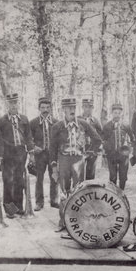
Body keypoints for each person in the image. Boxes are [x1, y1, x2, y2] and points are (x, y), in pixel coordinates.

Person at [50, 98, 102, 231]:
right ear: (63, 110)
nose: (72, 110)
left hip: (79, 160)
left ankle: (78, 220)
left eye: (73, 107)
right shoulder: (57, 127)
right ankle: (63, 220)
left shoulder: (83, 124)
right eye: (69, 108)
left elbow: (97, 139)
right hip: (64, 160)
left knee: (79, 190)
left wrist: (90, 153)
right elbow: (52, 148)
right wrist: (54, 168)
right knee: (64, 191)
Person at [0, 93, 35, 218]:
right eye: (10, 103)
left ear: (18, 104)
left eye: (15, 103)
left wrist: (31, 153)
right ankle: (10, 210)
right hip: (8, 154)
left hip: (21, 153)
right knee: (8, 181)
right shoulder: (2, 121)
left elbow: (29, 137)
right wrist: (1, 155)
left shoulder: (24, 119)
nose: (13, 105)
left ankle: (18, 208)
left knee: (19, 181)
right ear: (7, 104)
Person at [30, 97, 59, 211]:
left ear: (50, 108)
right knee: (39, 178)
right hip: (39, 155)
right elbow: (28, 138)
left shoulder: (57, 123)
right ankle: (39, 202)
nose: (45, 110)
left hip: (52, 155)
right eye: (43, 107)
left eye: (47, 107)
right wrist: (33, 147)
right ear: (39, 108)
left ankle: (54, 200)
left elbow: (60, 139)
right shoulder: (33, 123)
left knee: (54, 177)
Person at [102, 103, 135, 190]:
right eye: (115, 113)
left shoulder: (126, 125)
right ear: (112, 113)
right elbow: (103, 139)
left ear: (121, 114)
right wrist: (106, 150)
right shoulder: (107, 126)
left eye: (119, 113)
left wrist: (129, 148)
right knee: (112, 177)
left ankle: (121, 193)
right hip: (111, 154)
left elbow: (132, 138)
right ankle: (114, 193)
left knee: (123, 176)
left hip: (123, 155)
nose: (117, 115)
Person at [77, 98, 103, 180]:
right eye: (85, 107)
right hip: (80, 150)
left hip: (92, 150)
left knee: (90, 174)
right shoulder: (77, 119)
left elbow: (101, 135)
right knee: (78, 174)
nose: (87, 109)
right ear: (82, 107)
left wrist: (97, 148)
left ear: (93, 108)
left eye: (90, 107)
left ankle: (89, 191)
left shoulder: (95, 121)